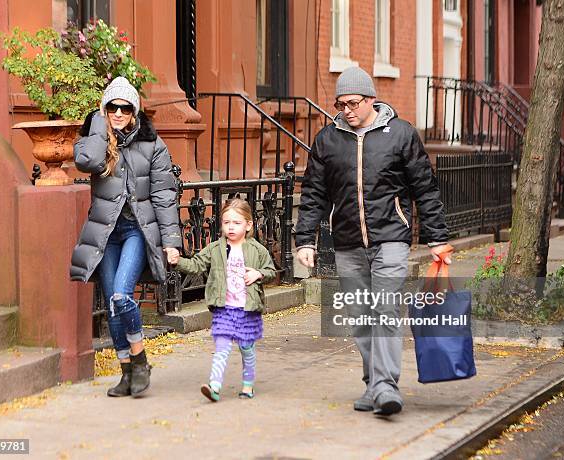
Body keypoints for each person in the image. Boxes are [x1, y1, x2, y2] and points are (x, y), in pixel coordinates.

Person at [295, 67, 451, 416]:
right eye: (341, 104)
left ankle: (385, 386)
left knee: (386, 309)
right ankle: (374, 384)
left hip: (391, 237)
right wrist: (305, 239)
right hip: (348, 241)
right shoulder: (327, 140)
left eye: (353, 103)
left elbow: (425, 189)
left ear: (371, 100)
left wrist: (437, 238)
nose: (346, 110)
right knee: (360, 316)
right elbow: (314, 194)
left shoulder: (401, 135)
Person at [70, 76, 181, 397]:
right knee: (113, 307)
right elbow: (85, 161)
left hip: (136, 231)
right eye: (112, 107)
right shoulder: (95, 140)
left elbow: (163, 194)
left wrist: (171, 242)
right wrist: (97, 123)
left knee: (121, 295)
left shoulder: (153, 145)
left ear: (135, 111)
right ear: (105, 109)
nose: (118, 113)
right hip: (106, 233)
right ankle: (126, 372)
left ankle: (140, 358)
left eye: (125, 107)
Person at [167, 199, 276, 402]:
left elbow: (270, 270)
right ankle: (214, 386)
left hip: (247, 309)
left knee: (247, 349)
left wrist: (258, 274)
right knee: (222, 348)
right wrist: (177, 261)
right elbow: (196, 265)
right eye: (226, 223)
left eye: (236, 222)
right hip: (224, 309)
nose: (231, 227)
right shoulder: (216, 248)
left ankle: (248, 385)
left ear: (248, 225)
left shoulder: (257, 250)